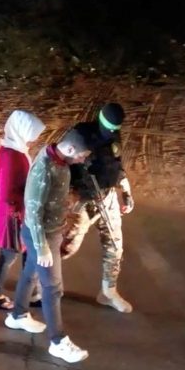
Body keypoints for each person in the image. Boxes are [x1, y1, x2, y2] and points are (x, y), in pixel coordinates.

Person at [6, 128, 92, 364]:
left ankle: (18, 314)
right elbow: (33, 211)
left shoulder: (59, 159)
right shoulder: (45, 168)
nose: (83, 159)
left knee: (30, 274)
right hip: (42, 235)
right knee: (53, 287)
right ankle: (58, 342)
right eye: (83, 155)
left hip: (51, 231)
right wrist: (42, 247)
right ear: (71, 149)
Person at [62, 102, 136, 313]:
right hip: (82, 200)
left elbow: (116, 166)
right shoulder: (79, 136)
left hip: (106, 196)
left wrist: (126, 191)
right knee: (66, 247)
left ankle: (108, 292)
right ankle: (37, 283)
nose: (111, 133)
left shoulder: (114, 136)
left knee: (115, 245)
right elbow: (59, 166)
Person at [0, 110, 45, 309]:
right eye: (31, 136)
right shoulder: (13, 156)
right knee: (10, 255)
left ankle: (32, 293)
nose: (32, 141)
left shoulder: (9, 148)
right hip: (15, 215)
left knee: (23, 253)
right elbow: (10, 192)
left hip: (14, 213)